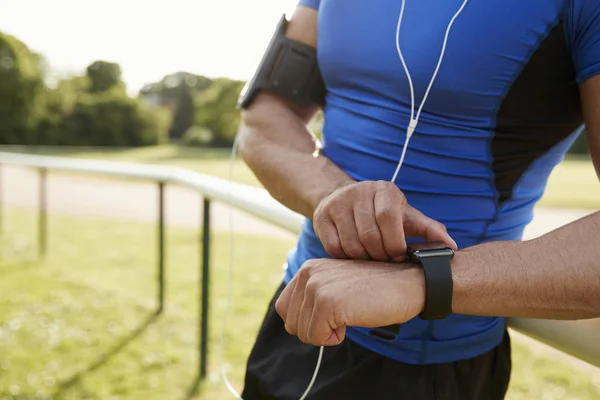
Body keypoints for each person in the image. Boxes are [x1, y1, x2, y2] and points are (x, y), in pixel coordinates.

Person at [236, 0, 600, 399]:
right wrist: (335, 196)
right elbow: (263, 118)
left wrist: (427, 279)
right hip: (298, 307)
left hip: (427, 365)